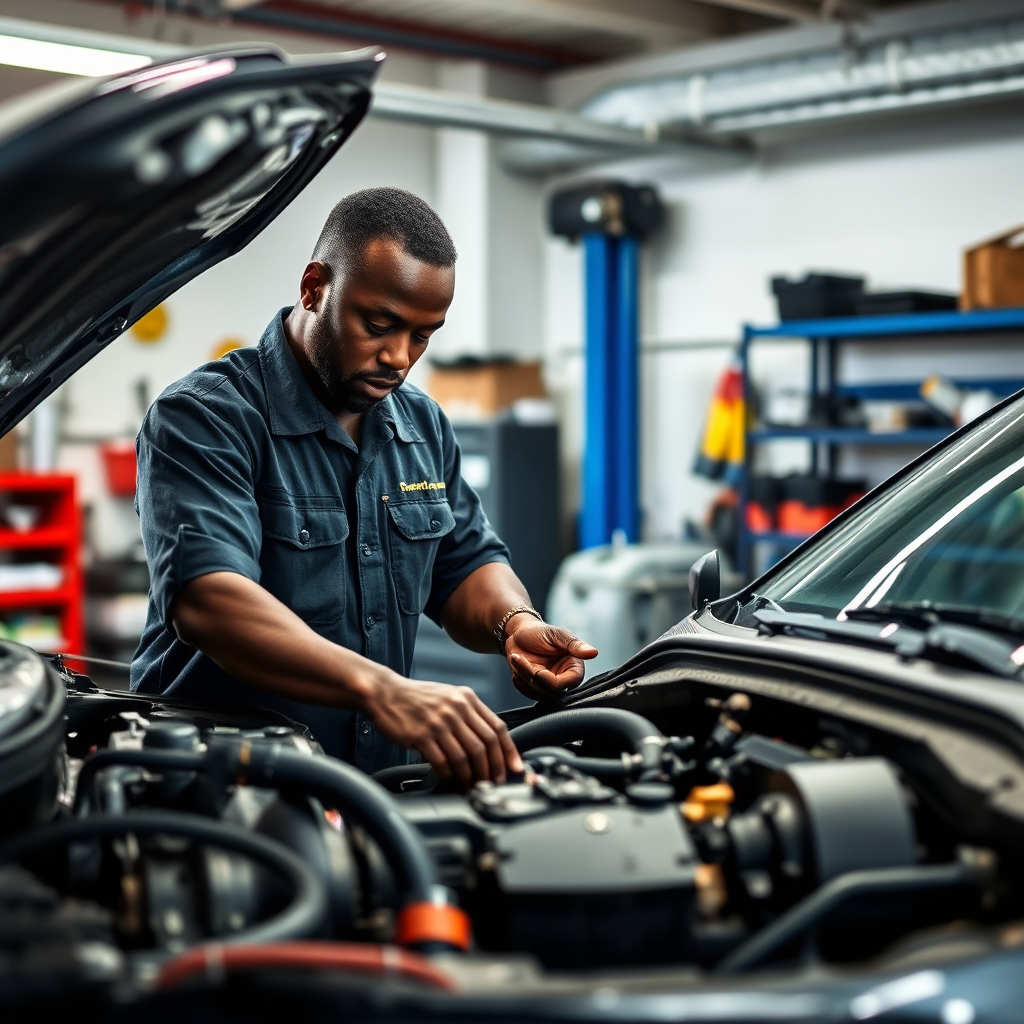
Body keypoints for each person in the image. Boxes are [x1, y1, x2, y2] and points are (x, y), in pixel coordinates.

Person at [131, 187, 597, 786]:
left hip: (370, 793)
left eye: (423, 336)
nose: (400, 358)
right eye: (379, 325)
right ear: (314, 286)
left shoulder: (421, 425)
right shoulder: (206, 417)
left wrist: (516, 622)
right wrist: (384, 690)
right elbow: (209, 600)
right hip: (221, 796)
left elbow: (466, 563)